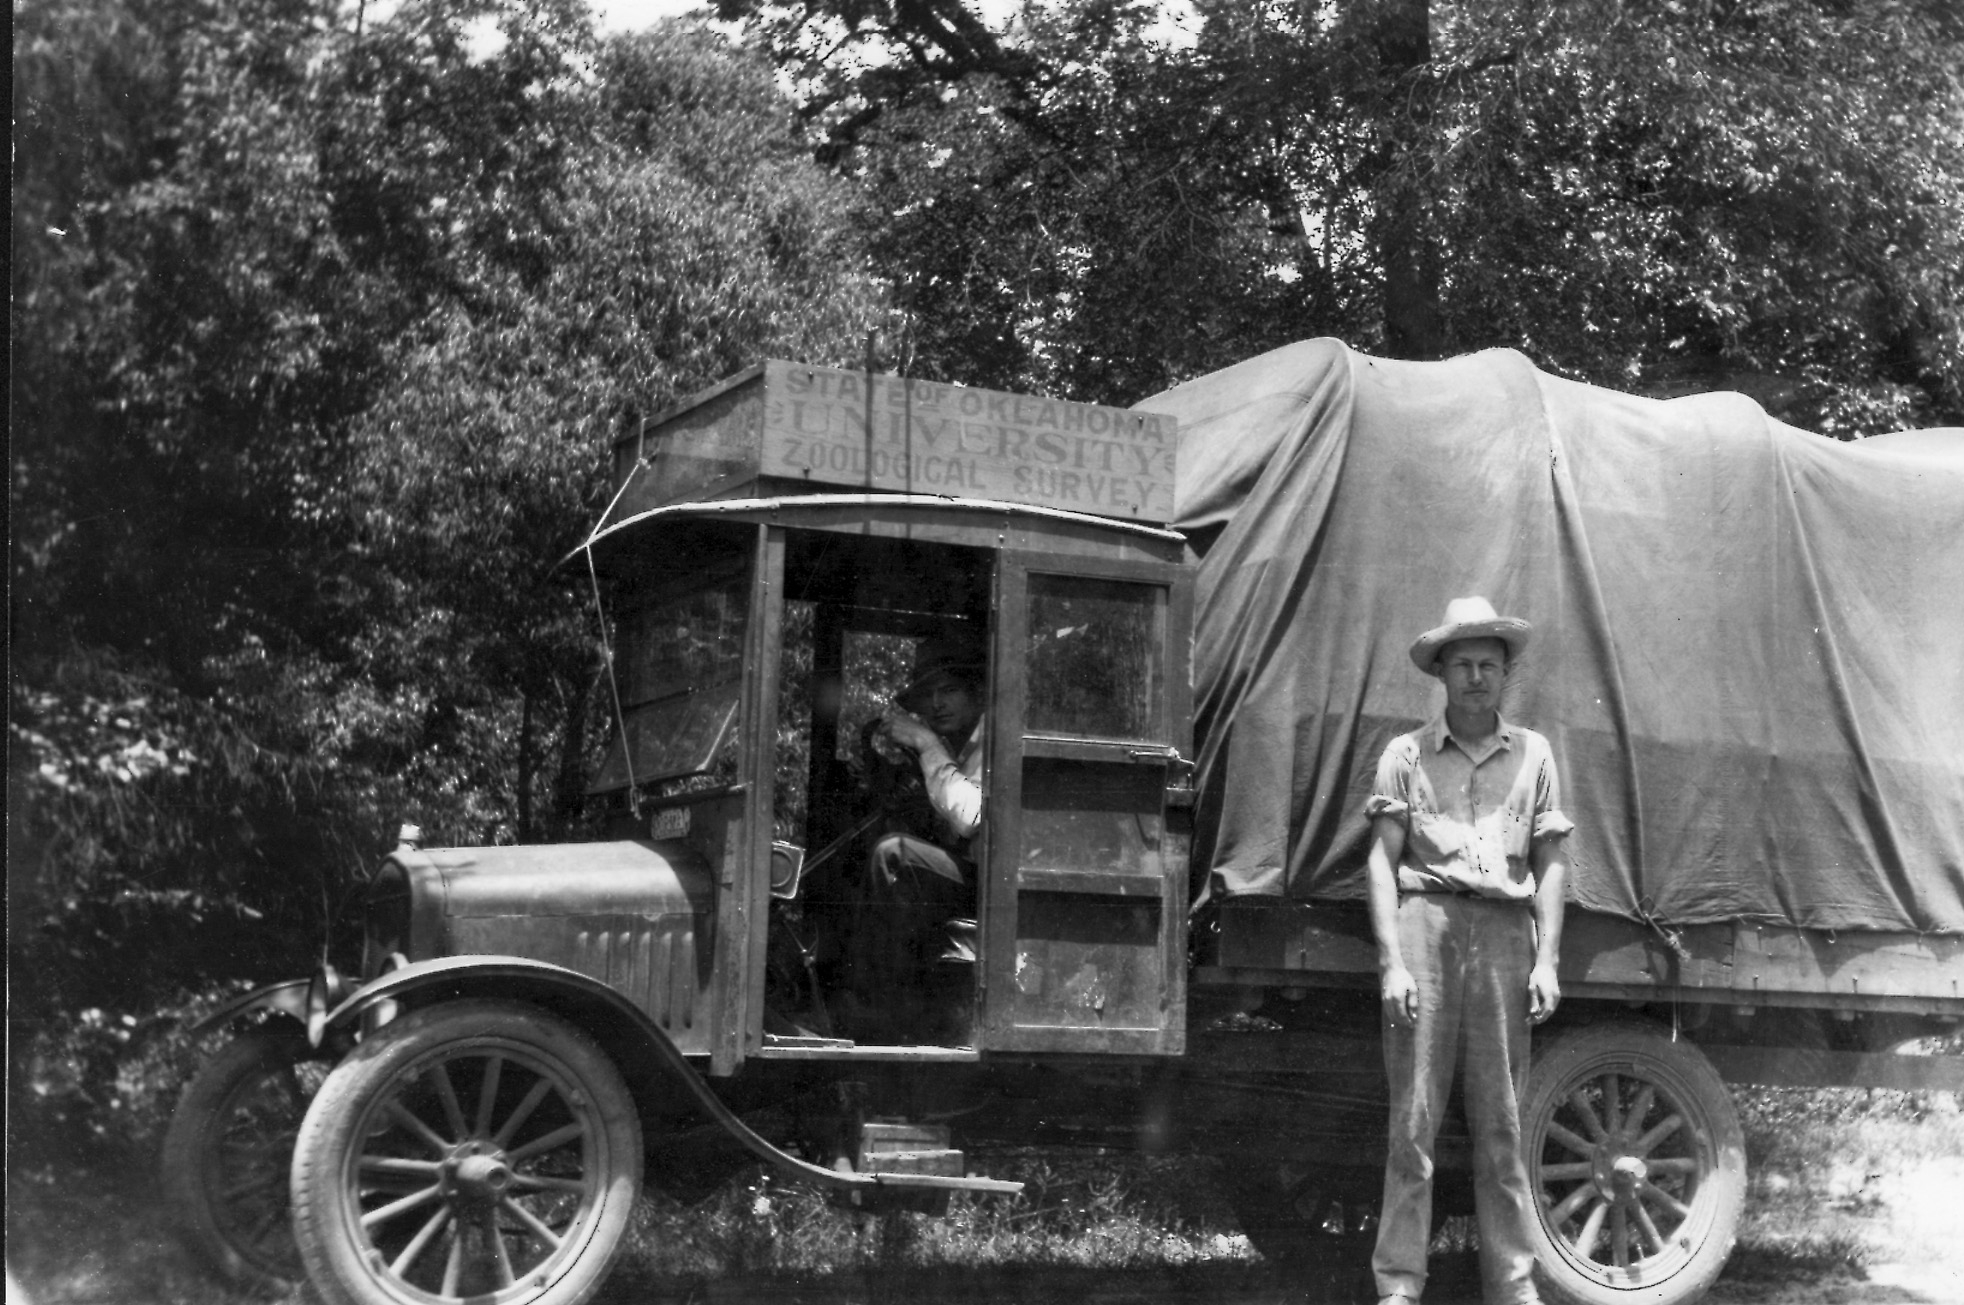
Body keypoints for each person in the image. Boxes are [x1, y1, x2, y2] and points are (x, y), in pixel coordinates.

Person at [1363, 597, 1573, 1305]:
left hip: (1506, 937)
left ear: (1506, 673)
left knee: (1503, 1124)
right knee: (1414, 1120)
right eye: (1463, 665)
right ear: (1442, 675)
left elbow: (1550, 860)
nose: (1477, 677)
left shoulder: (1534, 754)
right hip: (1429, 926)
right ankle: (1399, 1284)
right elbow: (1381, 860)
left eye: (1489, 664)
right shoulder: (1405, 755)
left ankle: (1513, 1285)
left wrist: (1546, 960)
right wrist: (1392, 960)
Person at [866, 637, 987, 971]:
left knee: (895, 855)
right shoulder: (957, 749)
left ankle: (893, 996)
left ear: (976, 692)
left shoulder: (993, 741)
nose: (937, 704)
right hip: (975, 879)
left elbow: (968, 818)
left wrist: (925, 742)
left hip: (998, 888)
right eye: (928, 695)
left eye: (949, 690)